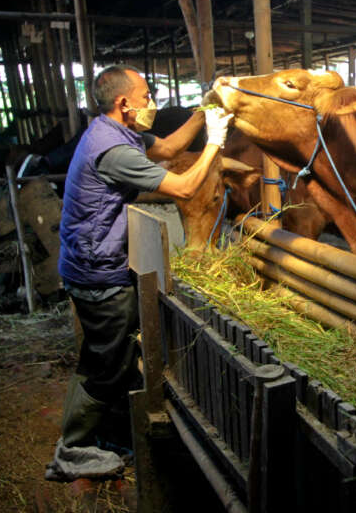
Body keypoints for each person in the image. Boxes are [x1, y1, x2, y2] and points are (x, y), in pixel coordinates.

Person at [45, 65, 232, 482]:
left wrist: (205, 110)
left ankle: (102, 434)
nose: (152, 102)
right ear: (124, 103)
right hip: (97, 269)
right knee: (106, 362)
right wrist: (215, 145)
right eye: (146, 96)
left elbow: (166, 148)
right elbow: (184, 188)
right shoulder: (115, 152)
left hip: (93, 259)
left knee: (106, 352)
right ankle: (71, 449)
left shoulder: (115, 131)